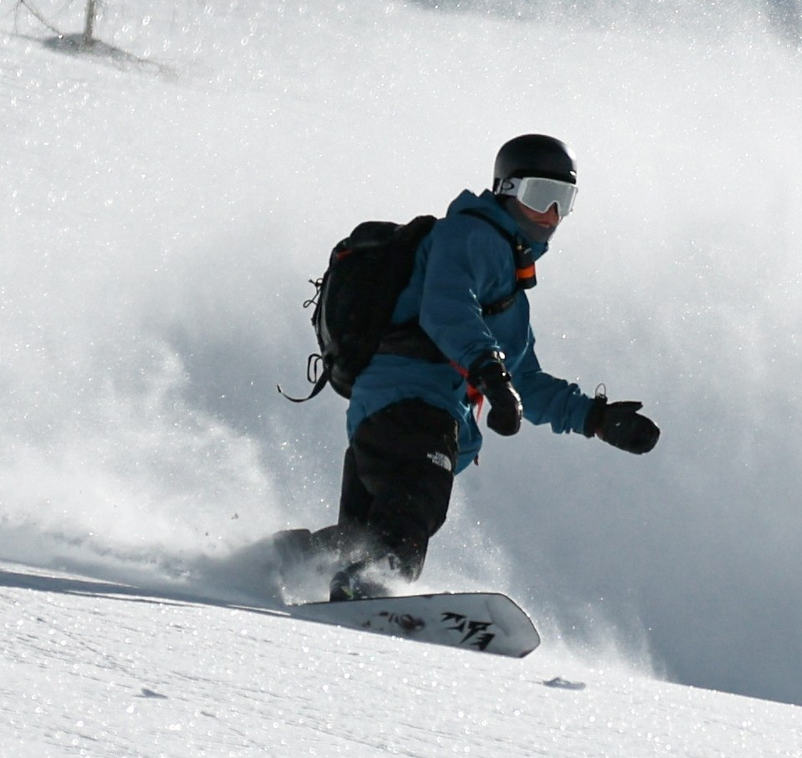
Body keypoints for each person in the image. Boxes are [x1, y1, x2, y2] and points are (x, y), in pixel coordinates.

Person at [277, 133, 658, 601]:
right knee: (411, 522)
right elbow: (446, 311)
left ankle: (280, 563)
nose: (552, 215)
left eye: (564, 201)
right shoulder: (473, 236)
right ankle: (369, 590)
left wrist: (596, 419)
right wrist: (490, 374)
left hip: (389, 413)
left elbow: (526, 381)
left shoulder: (509, 286)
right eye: (541, 196)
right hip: (412, 405)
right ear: (507, 189)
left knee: (363, 538)